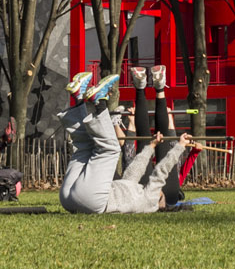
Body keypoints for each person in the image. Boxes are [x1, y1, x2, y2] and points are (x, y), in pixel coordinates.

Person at [58, 71, 193, 214]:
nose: (161, 191)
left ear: (162, 204)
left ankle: (100, 102)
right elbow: (134, 171)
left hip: (94, 201)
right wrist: (150, 147)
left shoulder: (152, 201)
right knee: (85, 147)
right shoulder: (137, 193)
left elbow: (161, 171)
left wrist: (180, 147)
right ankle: (78, 98)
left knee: (111, 149)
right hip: (69, 199)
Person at [126, 66, 194, 206]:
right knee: (154, 139)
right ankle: (154, 86)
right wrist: (180, 144)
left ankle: (147, 87)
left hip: (147, 195)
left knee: (145, 137)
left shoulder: (145, 195)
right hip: (164, 195)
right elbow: (169, 160)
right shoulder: (170, 196)